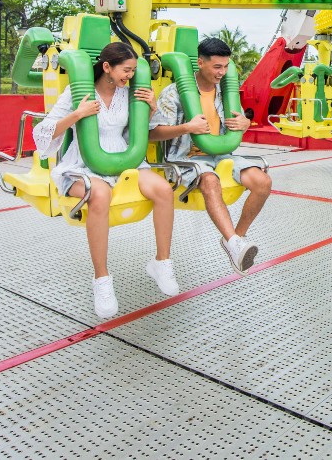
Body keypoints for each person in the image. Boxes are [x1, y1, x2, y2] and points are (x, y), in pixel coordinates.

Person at [32, 41, 179, 319]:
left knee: (163, 189)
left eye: (134, 71)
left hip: (124, 160)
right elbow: (44, 133)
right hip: (83, 164)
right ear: (107, 67)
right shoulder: (78, 92)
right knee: (99, 194)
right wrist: (77, 114)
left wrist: (149, 107)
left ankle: (162, 262)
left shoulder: (129, 93)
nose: (131, 76)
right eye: (126, 70)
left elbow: (143, 131)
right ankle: (102, 280)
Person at [149, 37, 272, 274]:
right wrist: (186, 128)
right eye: (217, 67)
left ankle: (236, 241)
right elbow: (153, 134)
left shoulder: (226, 92)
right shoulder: (174, 93)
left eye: (226, 67)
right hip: (188, 158)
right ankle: (235, 244)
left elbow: (239, 122)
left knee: (263, 181)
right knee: (210, 180)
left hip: (221, 154)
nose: (222, 72)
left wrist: (245, 123)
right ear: (200, 63)